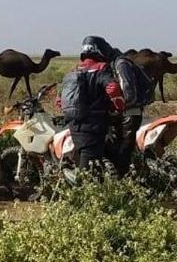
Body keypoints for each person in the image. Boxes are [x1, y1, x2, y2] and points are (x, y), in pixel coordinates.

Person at [60, 36, 125, 171]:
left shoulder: (75, 70)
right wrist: (119, 106)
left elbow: (59, 100)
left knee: (84, 157)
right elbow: (112, 88)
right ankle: (80, 189)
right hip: (94, 123)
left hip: (75, 124)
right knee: (87, 169)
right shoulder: (101, 68)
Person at [108, 46, 155, 174]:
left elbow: (128, 90)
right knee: (127, 144)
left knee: (124, 148)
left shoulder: (120, 64)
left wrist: (122, 105)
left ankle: (125, 176)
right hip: (134, 108)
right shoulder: (125, 63)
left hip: (130, 110)